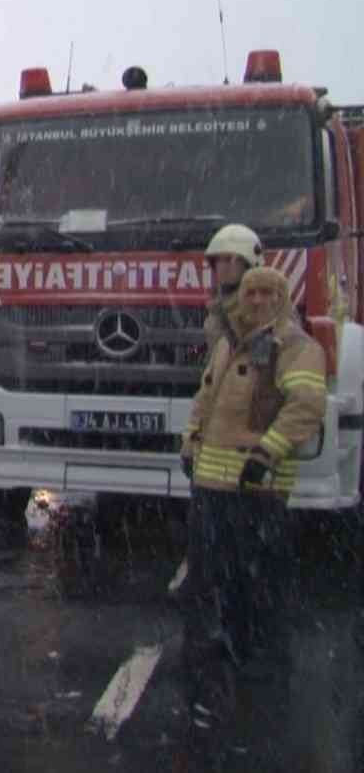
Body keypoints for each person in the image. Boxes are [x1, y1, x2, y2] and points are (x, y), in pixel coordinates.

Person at [179, 266, 324, 688]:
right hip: (211, 486)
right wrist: (190, 442)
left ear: (281, 298)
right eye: (250, 293)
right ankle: (225, 645)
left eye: (267, 293)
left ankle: (264, 662)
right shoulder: (228, 343)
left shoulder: (296, 347)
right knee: (214, 576)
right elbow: (205, 397)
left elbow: (306, 406)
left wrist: (268, 452)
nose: (257, 300)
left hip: (256, 488)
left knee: (258, 578)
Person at [202, 223, 262, 358]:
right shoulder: (217, 307)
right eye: (218, 260)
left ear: (249, 262)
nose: (223, 266)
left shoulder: (265, 303)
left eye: (230, 259)